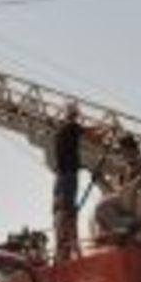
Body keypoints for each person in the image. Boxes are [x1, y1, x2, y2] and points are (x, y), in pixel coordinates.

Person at [52, 103, 85, 260]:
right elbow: (92, 135)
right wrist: (106, 130)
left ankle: (62, 248)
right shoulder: (73, 127)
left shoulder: (61, 130)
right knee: (69, 211)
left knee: (60, 209)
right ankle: (71, 247)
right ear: (75, 115)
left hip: (60, 176)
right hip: (69, 174)